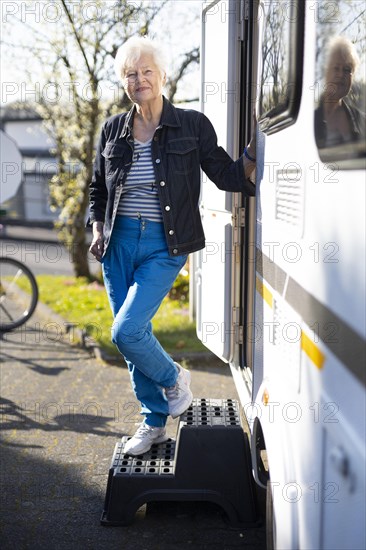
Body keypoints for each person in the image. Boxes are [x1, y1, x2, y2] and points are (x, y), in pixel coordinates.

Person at [88, 36, 256, 456]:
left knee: (126, 330)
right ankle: (153, 424)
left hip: (167, 243)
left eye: (147, 71)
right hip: (118, 243)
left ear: (163, 76)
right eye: (131, 74)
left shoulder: (193, 125)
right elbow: (97, 190)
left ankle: (173, 379)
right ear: (124, 82)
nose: (139, 79)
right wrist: (96, 228)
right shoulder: (113, 129)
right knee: (131, 340)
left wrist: (258, 146)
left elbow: (228, 176)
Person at [315, 36, 364, 148]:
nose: (341, 75)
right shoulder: (306, 121)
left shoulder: (362, 122)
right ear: (325, 73)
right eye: (336, 68)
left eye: (347, 70)